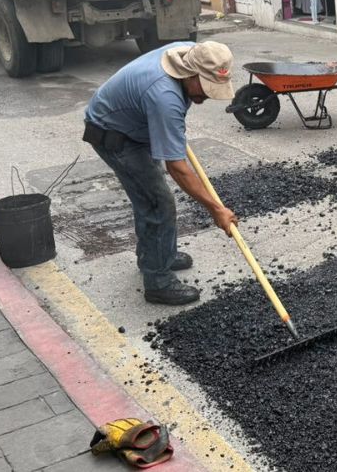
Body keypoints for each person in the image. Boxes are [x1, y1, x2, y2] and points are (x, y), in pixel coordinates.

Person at [83, 41, 239, 305]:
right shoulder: (164, 97)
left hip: (136, 123)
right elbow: (177, 168)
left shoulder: (193, 52)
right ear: (190, 74)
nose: (208, 95)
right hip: (113, 134)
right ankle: (158, 281)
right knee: (158, 202)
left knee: (150, 197)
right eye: (205, 86)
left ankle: (156, 253)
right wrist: (216, 209)